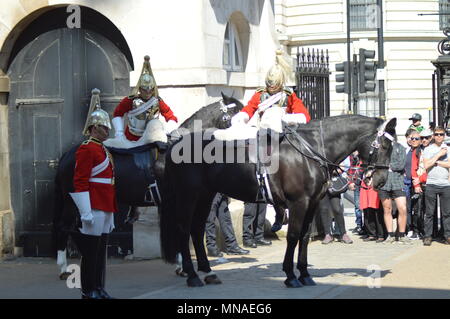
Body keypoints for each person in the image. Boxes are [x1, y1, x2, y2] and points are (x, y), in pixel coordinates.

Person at [69, 89, 116, 299]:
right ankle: (88, 290)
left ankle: (99, 287)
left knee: (101, 252)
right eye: (104, 128)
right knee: (90, 253)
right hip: (94, 205)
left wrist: (112, 212)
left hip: (105, 205)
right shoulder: (87, 149)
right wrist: (85, 210)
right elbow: (80, 181)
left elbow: (110, 182)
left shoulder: (103, 149)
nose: (107, 131)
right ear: (94, 128)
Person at [231, 49, 311, 130]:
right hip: (263, 131)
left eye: (274, 85)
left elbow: (304, 116)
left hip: (284, 132)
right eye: (269, 85)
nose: (271, 88)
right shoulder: (260, 94)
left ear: (280, 83)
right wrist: (241, 118)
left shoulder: (288, 94)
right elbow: (249, 109)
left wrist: (284, 118)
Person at [111, 55, 178, 144]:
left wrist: (165, 131)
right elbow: (117, 114)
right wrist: (119, 133)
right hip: (132, 138)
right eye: (145, 90)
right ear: (139, 89)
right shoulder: (130, 100)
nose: (147, 93)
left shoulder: (158, 101)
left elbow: (171, 117)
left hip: (152, 139)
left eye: (150, 90)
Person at [378, 140, 411, 244]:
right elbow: (377, 163)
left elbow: (401, 165)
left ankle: (402, 234)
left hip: (398, 181)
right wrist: (386, 166)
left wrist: (386, 165)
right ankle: (390, 235)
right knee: (387, 209)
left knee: (402, 208)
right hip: (384, 182)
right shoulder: (380, 147)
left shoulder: (400, 147)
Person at [422, 126, 450, 246]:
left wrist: (436, 162)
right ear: (433, 136)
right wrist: (439, 155)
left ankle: (447, 235)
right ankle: (428, 236)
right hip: (431, 184)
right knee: (429, 212)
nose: (439, 136)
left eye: (441, 134)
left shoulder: (448, 149)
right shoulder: (428, 149)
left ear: (444, 136)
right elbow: (427, 165)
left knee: (447, 213)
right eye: (437, 134)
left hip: (445, 184)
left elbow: (449, 164)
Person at [347, 151, 364, 235]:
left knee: (367, 207)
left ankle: (367, 227)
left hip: (365, 182)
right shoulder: (352, 157)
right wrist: (350, 182)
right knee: (358, 206)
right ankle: (359, 225)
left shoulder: (364, 155)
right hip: (356, 183)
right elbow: (350, 170)